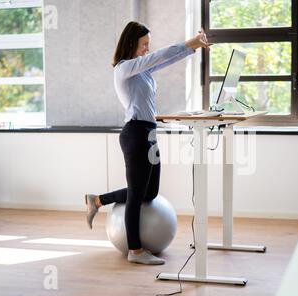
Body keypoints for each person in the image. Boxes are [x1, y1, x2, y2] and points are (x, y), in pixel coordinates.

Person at [84, 21, 211, 265]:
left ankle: (97, 200)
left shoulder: (141, 71)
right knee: (136, 196)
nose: (146, 49)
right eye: (144, 45)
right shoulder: (124, 68)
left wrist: (192, 49)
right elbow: (159, 56)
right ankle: (135, 250)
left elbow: (164, 60)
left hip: (149, 133)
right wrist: (189, 42)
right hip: (136, 134)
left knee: (148, 192)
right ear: (131, 43)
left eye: (148, 45)